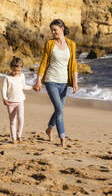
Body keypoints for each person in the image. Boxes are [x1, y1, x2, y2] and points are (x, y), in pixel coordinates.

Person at [33, 19, 78, 147]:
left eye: (55, 30)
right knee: (59, 109)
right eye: (52, 30)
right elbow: (44, 62)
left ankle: (49, 128)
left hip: (64, 82)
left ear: (62, 29)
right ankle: (63, 138)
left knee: (59, 109)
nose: (53, 32)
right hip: (51, 80)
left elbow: (73, 64)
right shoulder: (49, 44)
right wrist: (38, 80)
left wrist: (75, 81)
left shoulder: (71, 44)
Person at [1, 57, 30, 144]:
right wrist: (4, 99)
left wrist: (33, 87)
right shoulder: (7, 77)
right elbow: (3, 89)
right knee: (12, 120)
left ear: (21, 69)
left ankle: (19, 135)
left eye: (18, 70)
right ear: (11, 68)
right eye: (14, 70)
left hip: (20, 101)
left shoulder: (22, 76)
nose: (16, 72)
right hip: (10, 102)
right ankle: (13, 138)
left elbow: (24, 86)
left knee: (21, 118)